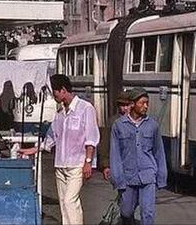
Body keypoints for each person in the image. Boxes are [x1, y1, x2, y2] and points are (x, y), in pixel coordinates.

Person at [19, 74, 100, 225]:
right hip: (61, 165)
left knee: (70, 201)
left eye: (55, 92)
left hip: (77, 164)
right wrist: (33, 150)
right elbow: (51, 138)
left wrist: (88, 162)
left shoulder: (85, 108)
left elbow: (91, 138)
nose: (54, 96)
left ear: (63, 90)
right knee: (64, 203)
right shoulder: (60, 114)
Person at [110, 88, 167, 225]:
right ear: (132, 104)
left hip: (148, 176)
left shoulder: (152, 125)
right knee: (126, 212)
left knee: (147, 213)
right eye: (142, 103)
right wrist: (117, 178)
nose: (145, 106)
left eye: (147, 103)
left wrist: (161, 176)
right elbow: (115, 154)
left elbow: (159, 152)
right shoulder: (119, 126)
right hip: (128, 177)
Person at [98, 91, 132, 181]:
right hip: (119, 165)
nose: (125, 108)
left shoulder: (140, 121)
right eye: (122, 105)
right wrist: (106, 165)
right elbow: (105, 144)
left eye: (127, 105)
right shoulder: (113, 122)